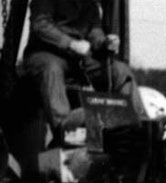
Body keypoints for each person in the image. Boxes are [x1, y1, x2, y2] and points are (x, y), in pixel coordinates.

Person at [22, 0, 146, 142]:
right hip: (45, 54)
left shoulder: (90, 4)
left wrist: (105, 42)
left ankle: (137, 121)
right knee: (52, 69)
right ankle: (64, 127)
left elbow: (95, 32)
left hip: (77, 60)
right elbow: (41, 25)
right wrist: (71, 43)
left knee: (120, 70)